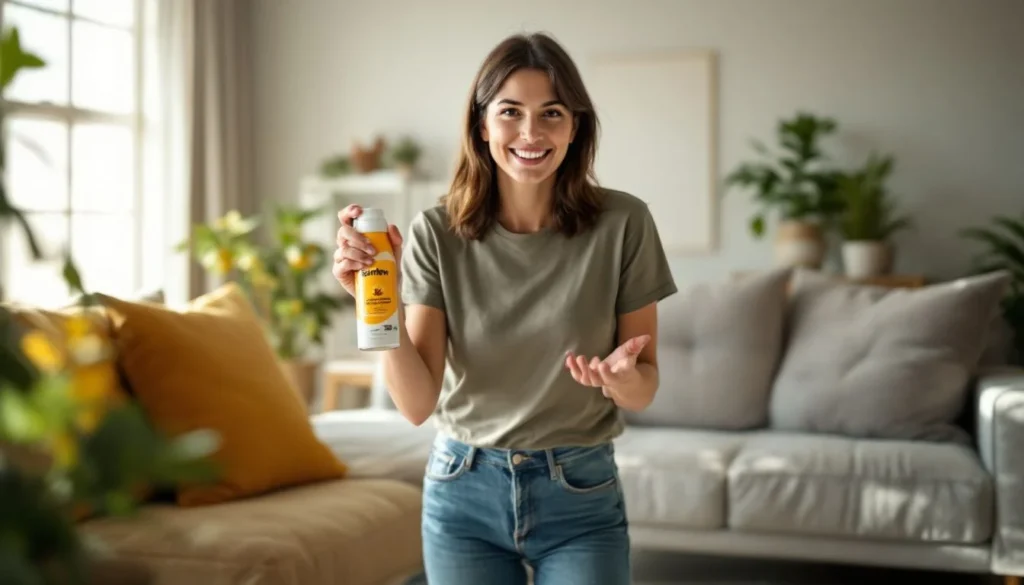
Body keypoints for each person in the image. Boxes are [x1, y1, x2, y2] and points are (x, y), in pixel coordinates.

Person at [332, 31, 677, 585]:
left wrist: (618, 379)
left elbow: (646, 386)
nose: (531, 133)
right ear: (482, 123)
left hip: (579, 491)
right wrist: (376, 307)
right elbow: (418, 405)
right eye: (510, 112)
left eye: (552, 113)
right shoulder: (436, 232)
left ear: (576, 126)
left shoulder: (624, 223)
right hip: (462, 488)